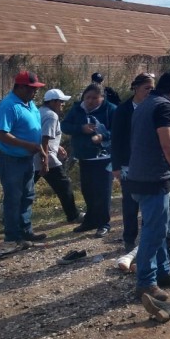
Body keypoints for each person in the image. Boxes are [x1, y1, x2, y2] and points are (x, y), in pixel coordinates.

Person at [130, 72, 170, 301]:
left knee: (160, 228)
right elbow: (169, 143)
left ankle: (163, 271)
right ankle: (146, 282)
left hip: (140, 175)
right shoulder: (165, 107)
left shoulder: (145, 104)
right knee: (154, 232)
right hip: (153, 178)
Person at [0, 71, 47, 246]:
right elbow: (1, 133)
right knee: (13, 197)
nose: (35, 92)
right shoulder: (9, 105)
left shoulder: (30, 104)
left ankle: (26, 231)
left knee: (27, 196)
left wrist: (38, 149)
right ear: (21, 87)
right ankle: (13, 236)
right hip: (10, 160)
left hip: (26, 159)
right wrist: (27, 145)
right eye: (32, 89)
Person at [61, 83, 116, 238]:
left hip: (104, 157)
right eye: (88, 97)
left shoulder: (110, 109)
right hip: (85, 156)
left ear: (102, 98)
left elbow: (119, 129)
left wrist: (103, 136)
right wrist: (81, 128)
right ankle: (90, 220)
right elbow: (65, 126)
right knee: (88, 190)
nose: (90, 101)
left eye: (95, 98)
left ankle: (104, 223)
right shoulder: (78, 109)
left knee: (103, 191)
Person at [111, 72, 155, 252]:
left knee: (149, 204)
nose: (150, 92)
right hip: (128, 165)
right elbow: (116, 139)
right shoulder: (123, 110)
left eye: (153, 89)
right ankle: (129, 238)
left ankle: (146, 239)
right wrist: (116, 167)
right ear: (136, 88)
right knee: (130, 203)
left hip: (148, 164)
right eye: (147, 88)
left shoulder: (154, 107)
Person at [33, 89, 82, 224]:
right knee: (64, 185)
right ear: (53, 102)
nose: (62, 105)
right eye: (60, 102)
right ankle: (73, 215)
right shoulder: (51, 116)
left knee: (25, 187)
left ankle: (7, 215)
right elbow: (45, 137)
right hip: (46, 157)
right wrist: (45, 160)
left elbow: (44, 134)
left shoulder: (40, 111)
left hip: (36, 156)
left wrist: (57, 146)